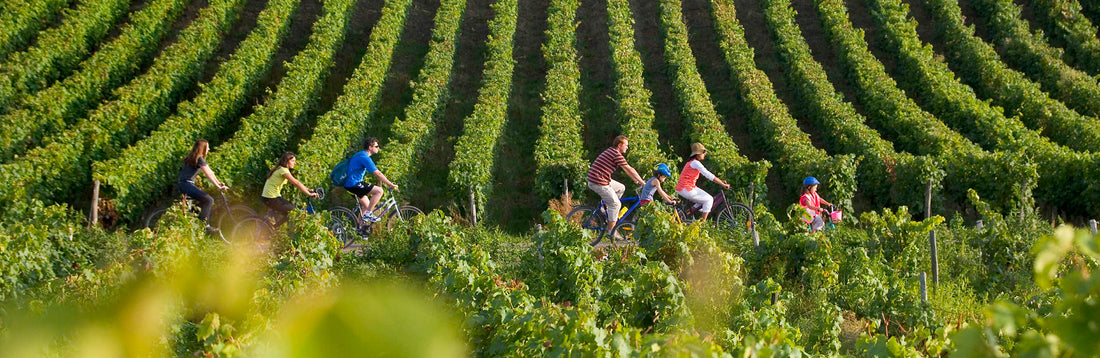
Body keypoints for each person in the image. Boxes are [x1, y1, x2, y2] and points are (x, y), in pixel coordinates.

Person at [586, 135, 645, 239]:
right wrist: (642, 182)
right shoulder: (616, 154)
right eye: (626, 145)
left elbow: (627, 170)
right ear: (619, 145)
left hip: (600, 179)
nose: (627, 147)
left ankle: (606, 210)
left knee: (621, 188)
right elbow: (629, 169)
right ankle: (611, 232)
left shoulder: (612, 151)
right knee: (616, 204)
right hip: (598, 181)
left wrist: (635, 179)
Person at [178, 139, 229, 233]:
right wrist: (218, 187)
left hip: (184, 184)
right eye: (208, 147)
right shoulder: (199, 158)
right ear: (203, 148)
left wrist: (219, 183)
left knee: (202, 201)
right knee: (209, 200)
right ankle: (205, 226)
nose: (209, 149)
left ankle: (195, 215)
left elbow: (211, 172)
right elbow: (208, 174)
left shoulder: (196, 157)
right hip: (186, 184)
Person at [343, 137, 398, 223]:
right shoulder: (365, 157)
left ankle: (360, 231)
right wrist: (390, 184)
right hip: (353, 183)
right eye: (376, 146)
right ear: (370, 147)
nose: (378, 148)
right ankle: (368, 214)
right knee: (379, 191)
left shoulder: (360, 154)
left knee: (367, 206)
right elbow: (378, 174)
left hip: (350, 183)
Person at [261, 152, 320, 227]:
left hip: (271, 197)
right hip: (270, 198)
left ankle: (273, 228)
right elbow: (296, 183)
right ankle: (272, 229)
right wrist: (309, 194)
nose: (294, 163)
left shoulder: (281, 169)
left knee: (291, 214)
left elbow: (296, 183)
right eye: (292, 161)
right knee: (294, 212)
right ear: (286, 161)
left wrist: (308, 189)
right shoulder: (283, 170)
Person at [674, 143, 730, 221]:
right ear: (698, 153)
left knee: (703, 199)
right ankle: (701, 225)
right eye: (703, 152)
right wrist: (721, 184)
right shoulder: (695, 163)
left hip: (686, 187)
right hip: (686, 188)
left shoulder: (692, 162)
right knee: (709, 199)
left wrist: (720, 181)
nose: (705, 154)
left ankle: (687, 214)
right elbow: (708, 174)